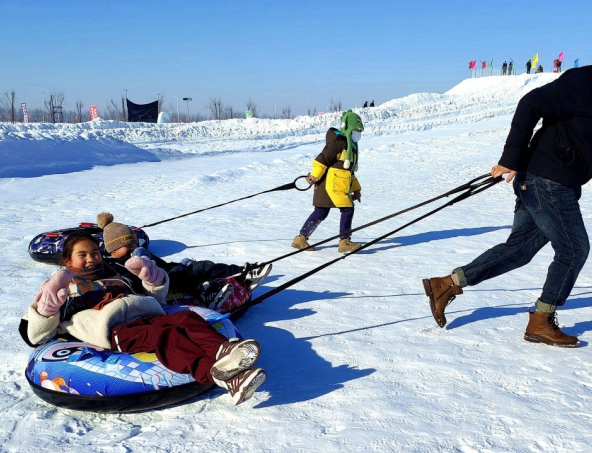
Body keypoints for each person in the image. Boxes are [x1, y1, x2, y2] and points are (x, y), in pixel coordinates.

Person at [421, 52, 592, 348]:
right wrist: (510, 158)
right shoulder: (583, 82)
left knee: (519, 250)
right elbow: (530, 104)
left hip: (556, 182)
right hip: (546, 179)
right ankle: (541, 319)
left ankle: (446, 284)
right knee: (574, 249)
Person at [19, 231, 267, 405]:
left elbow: (156, 299)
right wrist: (47, 309)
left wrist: (155, 281)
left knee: (184, 319)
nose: (91, 258)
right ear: (67, 260)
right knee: (164, 336)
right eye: (82, 255)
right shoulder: (63, 287)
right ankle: (218, 376)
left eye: (94, 252)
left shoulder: (116, 272)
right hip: (117, 330)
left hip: (147, 313)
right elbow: (36, 335)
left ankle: (225, 351)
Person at [96, 212, 271, 312]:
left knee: (201, 266)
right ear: (113, 250)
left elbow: (162, 264)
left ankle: (243, 271)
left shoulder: (139, 253)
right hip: (163, 284)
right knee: (180, 275)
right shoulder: (116, 265)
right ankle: (204, 292)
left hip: (168, 270)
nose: (133, 246)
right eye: (127, 245)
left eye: (134, 242)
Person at [292, 109, 364, 253]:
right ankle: (344, 241)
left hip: (332, 184)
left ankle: (301, 238)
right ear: (348, 128)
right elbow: (322, 160)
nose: (359, 134)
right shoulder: (339, 143)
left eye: (360, 131)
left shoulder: (351, 147)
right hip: (331, 184)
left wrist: (356, 189)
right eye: (356, 130)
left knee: (321, 211)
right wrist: (314, 176)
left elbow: (348, 172)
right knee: (347, 209)